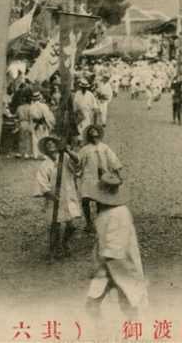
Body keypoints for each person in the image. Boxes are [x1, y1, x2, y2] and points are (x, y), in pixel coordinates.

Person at [85, 173, 147, 319]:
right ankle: (102, 331)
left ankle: (131, 332)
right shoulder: (107, 213)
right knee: (97, 303)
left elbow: (115, 247)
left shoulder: (119, 214)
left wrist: (102, 266)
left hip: (118, 264)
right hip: (109, 264)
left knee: (127, 301)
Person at [34, 136, 82, 258]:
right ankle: (53, 249)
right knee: (55, 224)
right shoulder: (45, 165)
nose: (50, 145)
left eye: (52, 143)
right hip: (54, 197)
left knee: (71, 226)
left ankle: (65, 243)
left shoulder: (65, 158)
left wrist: (67, 151)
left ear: (56, 146)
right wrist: (49, 194)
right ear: (45, 149)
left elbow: (78, 163)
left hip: (68, 194)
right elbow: (41, 182)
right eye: (48, 144)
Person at [79, 125, 123, 232]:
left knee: (100, 199)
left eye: (95, 131)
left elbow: (113, 160)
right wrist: (77, 171)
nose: (93, 133)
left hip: (103, 176)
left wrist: (118, 175)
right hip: (89, 176)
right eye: (91, 131)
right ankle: (88, 222)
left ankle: (99, 222)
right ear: (88, 135)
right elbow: (78, 162)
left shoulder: (104, 147)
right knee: (85, 199)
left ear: (99, 133)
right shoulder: (85, 149)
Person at [28, 90, 56, 160]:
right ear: (39, 98)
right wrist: (49, 125)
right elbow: (47, 116)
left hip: (35, 124)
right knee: (43, 138)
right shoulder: (43, 106)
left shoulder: (31, 107)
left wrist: (31, 126)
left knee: (35, 138)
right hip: (42, 124)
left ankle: (35, 155)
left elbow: (31, 117)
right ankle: (44, 155)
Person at [15, 93, 34, 160]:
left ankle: (20, 152)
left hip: (21, 122)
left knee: (21, 138)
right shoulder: (29, 107)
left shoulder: (19, 107)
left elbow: (16, 116)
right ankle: (26, 153)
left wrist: (17, 124)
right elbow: (31, 117)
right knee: (27, 138)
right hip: (27, 122)